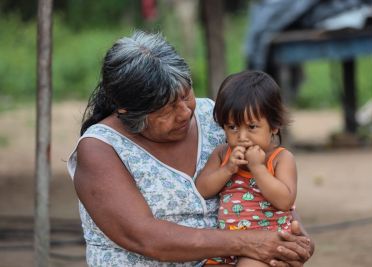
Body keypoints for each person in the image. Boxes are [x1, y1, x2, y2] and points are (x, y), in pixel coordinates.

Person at [67, 31, 313, 266]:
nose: (185, 112)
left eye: (186, 95)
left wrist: (289, 241)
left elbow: (267, 188)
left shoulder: (216, 118)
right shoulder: (100, 149)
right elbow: (145, 237)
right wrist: (249, 243)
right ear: (128, 112)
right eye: (167, 109)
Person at [195, 70, 297, 266]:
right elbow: (202, 190)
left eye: (252, 127)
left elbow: (285, 201)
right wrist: (227, 169)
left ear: (274, 126)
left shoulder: (280, 159)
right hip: (226, 246)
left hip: (266, 246)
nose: (242, 137)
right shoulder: (222, 154)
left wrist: (258, 168)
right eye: (233, 127)